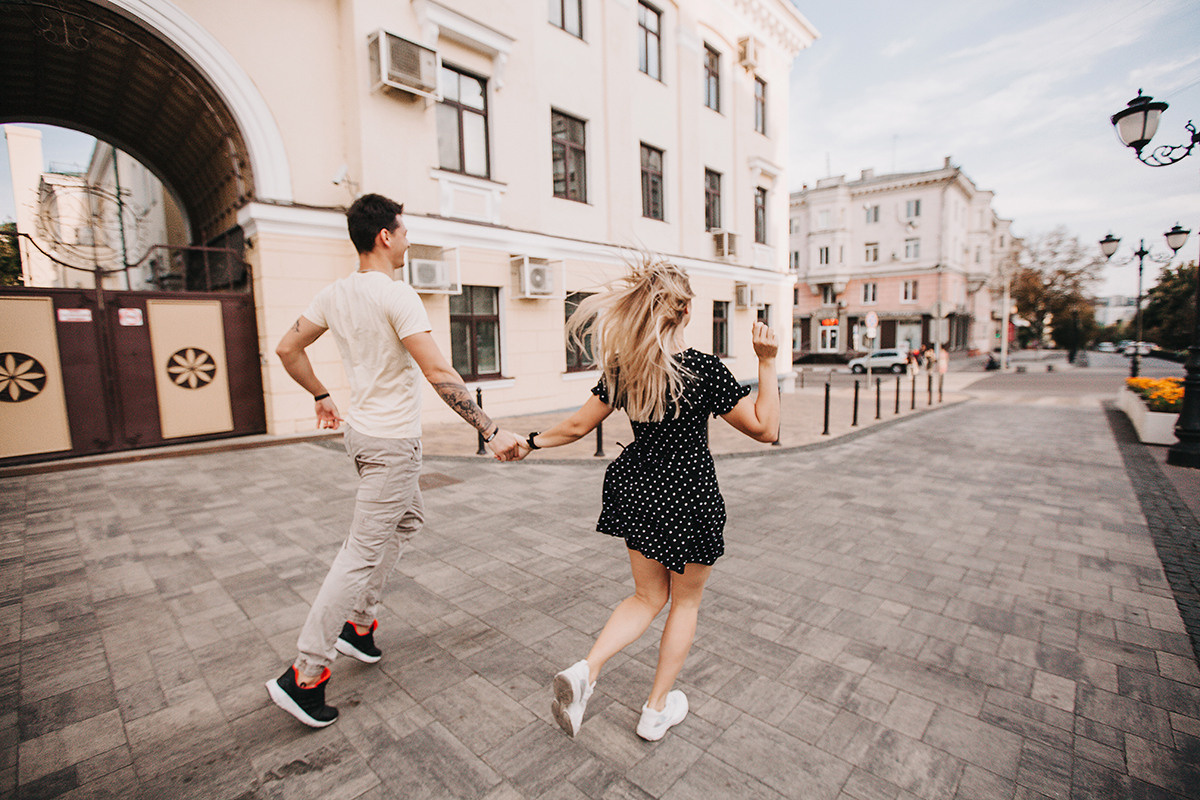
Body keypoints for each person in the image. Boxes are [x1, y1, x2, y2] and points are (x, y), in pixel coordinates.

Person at [266, 193, 521, 728]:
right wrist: (490, 429)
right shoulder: (398, 296)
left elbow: (288, 350)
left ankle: (358, 626)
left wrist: (320, 394)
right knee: (358, 553)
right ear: (385, 235)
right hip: (391, 447)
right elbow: (438, 371)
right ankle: (306, 673)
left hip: (361, 437)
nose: (407, 239)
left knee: (409, 519)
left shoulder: (333, 295)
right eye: (403, 231)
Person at [514, 258, 780, 741]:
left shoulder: (624, 369)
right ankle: (655, 710)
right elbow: (767, 429)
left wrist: (529, 442)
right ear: (683, 309)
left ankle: (586, 670)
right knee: (685, 604)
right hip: (691, 495)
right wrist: (766, 360)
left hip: (639, 489)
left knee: (646, 596)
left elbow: (576, 427)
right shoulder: (702, 369)